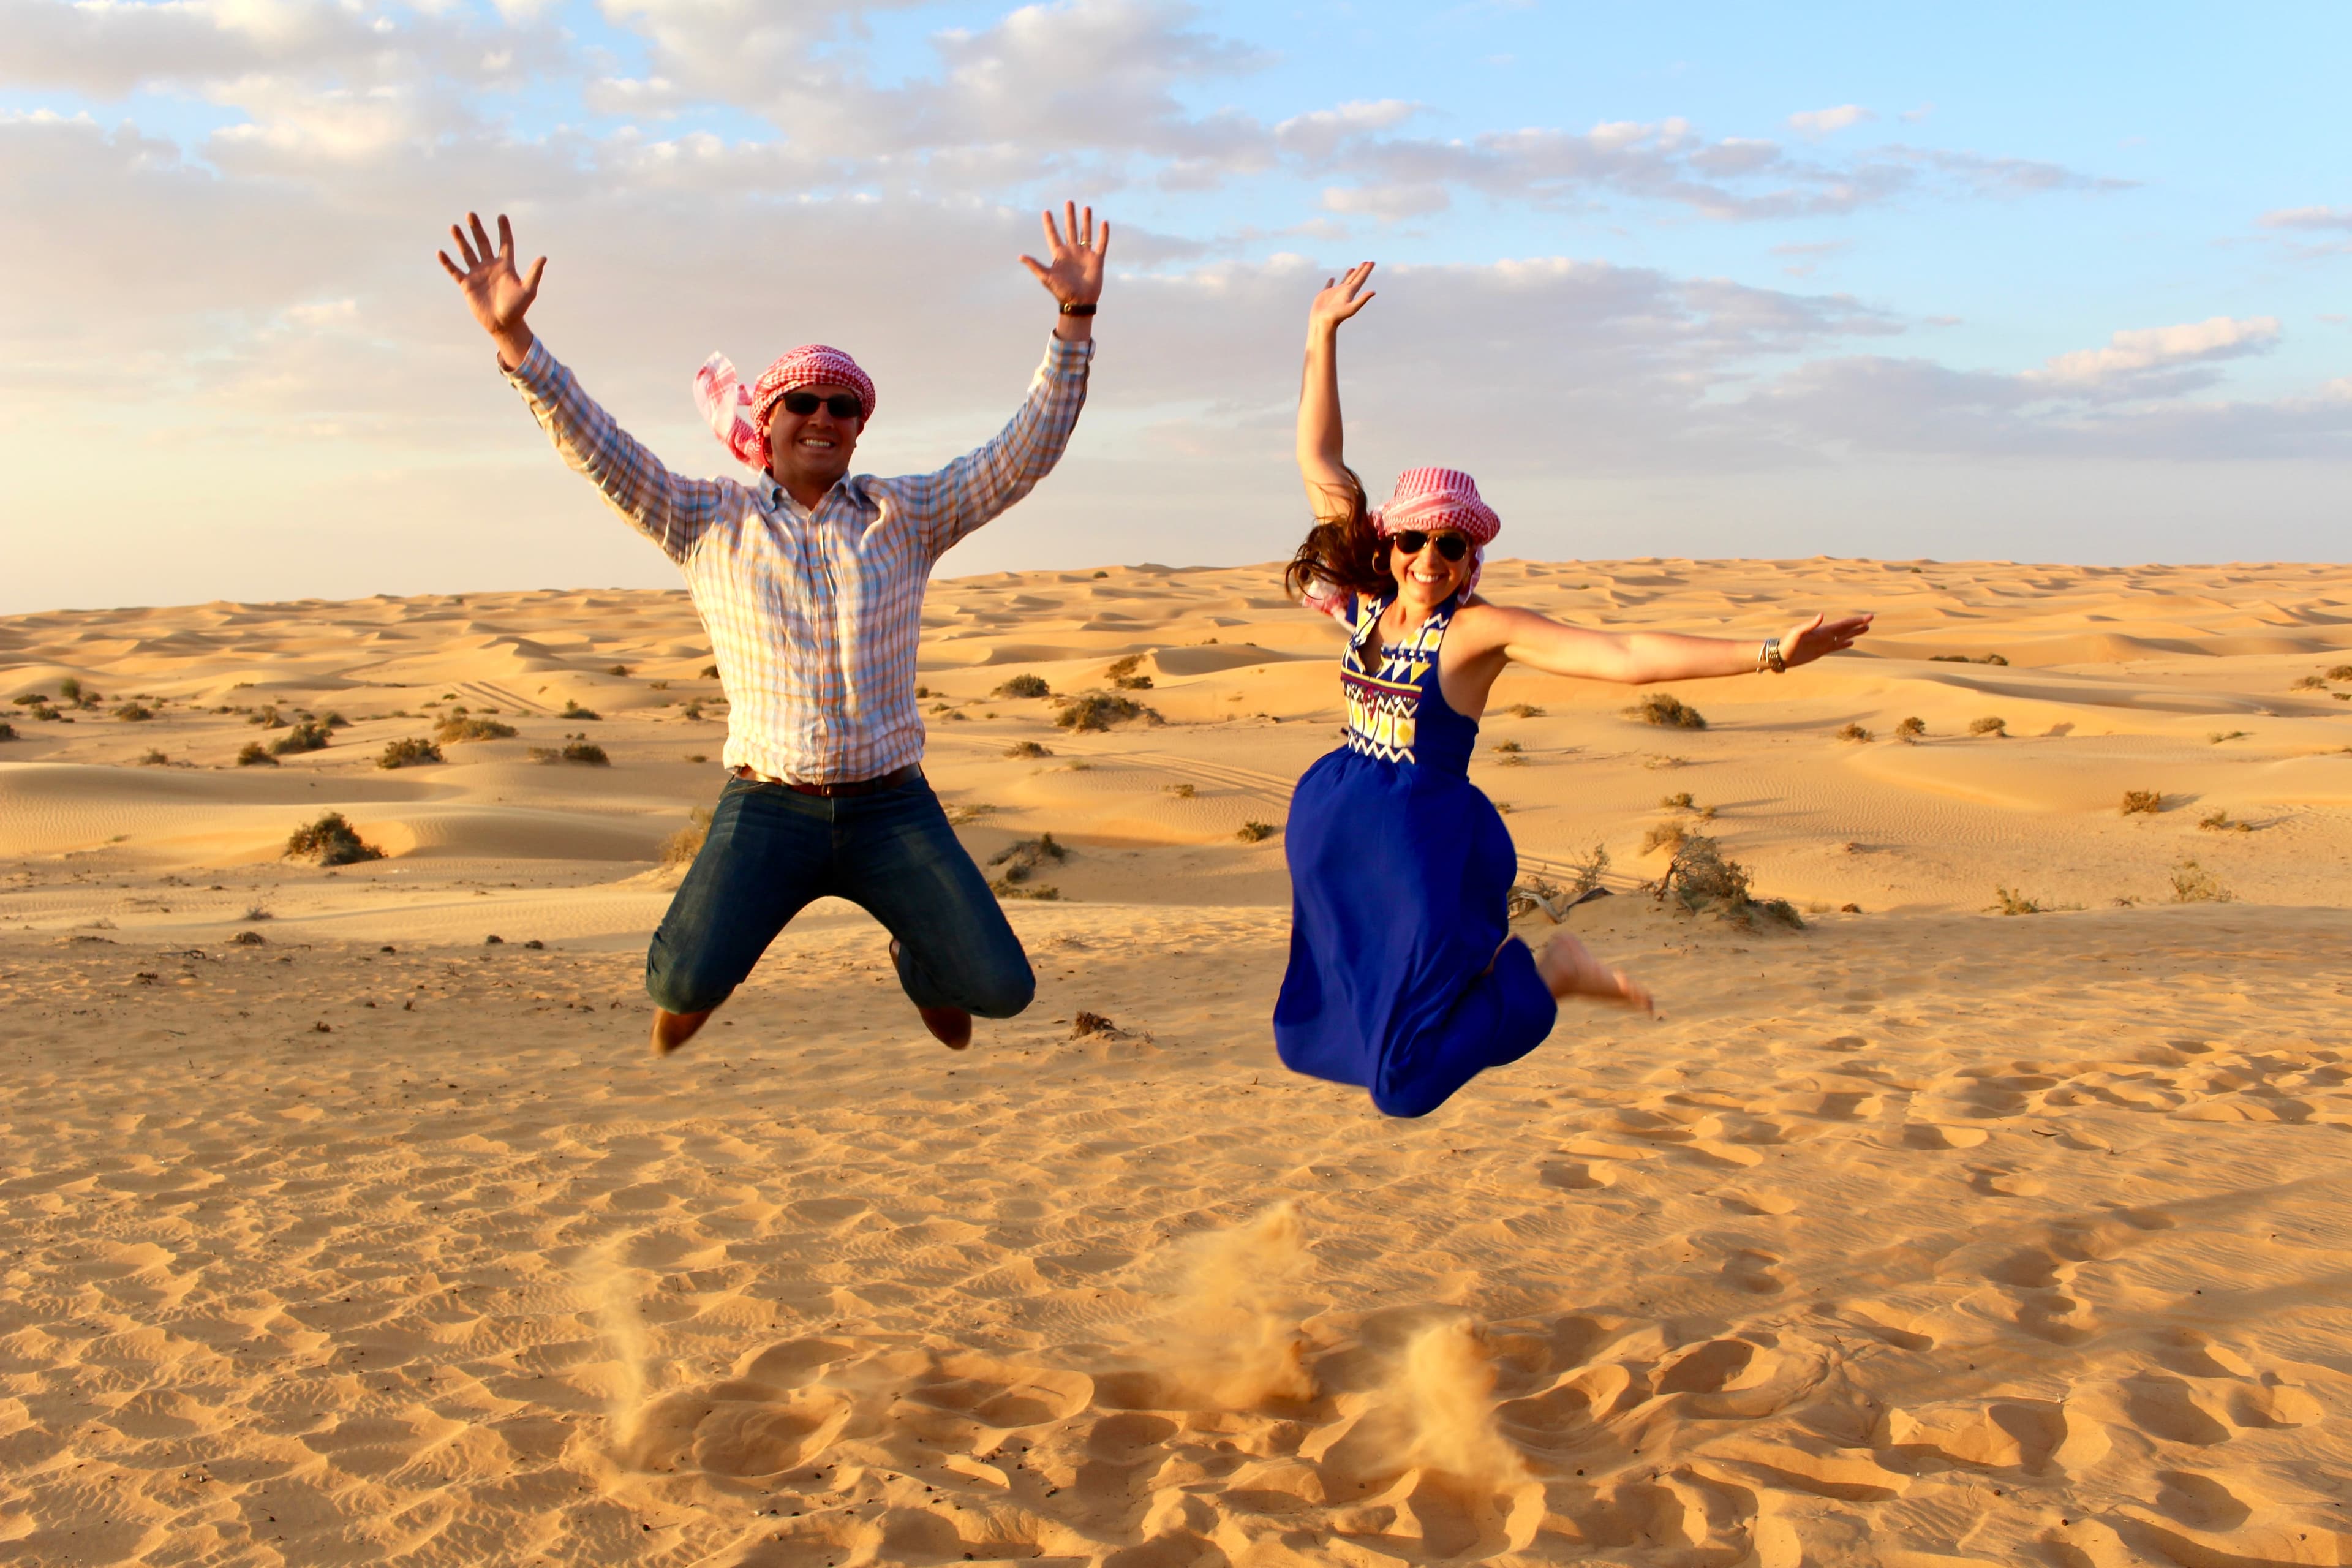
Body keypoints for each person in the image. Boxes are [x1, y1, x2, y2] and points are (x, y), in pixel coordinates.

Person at [436, 205, 1111, 1057]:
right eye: (802, 401)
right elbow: (599, 448)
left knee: (1002, 990)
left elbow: (1022, 453)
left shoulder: (907, 515)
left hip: (889, 804)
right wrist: (514, 340)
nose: (822, 416)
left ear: (859, 426)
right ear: (768, 418)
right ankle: (711, 966)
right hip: (768, 807)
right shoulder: (705, 519)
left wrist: (1074, 318)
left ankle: (919, 959)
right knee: (679, 984)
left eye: (842, 405)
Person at [1275, 262, 1874, 1118]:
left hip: (1414, 845)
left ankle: (1549, 976)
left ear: (1471, 558)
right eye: (1415, 541)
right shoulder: (1365, 598)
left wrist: (1771, 652)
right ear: (1389, 541)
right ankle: (1518, 981)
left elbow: (1625, 654)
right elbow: (1318, 454)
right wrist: (1321, 332)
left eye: (1452, 546)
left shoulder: (1477, 633)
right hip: (1340, 838)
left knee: (1403, 1085)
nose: (1430, 560)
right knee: (1311, 1034)